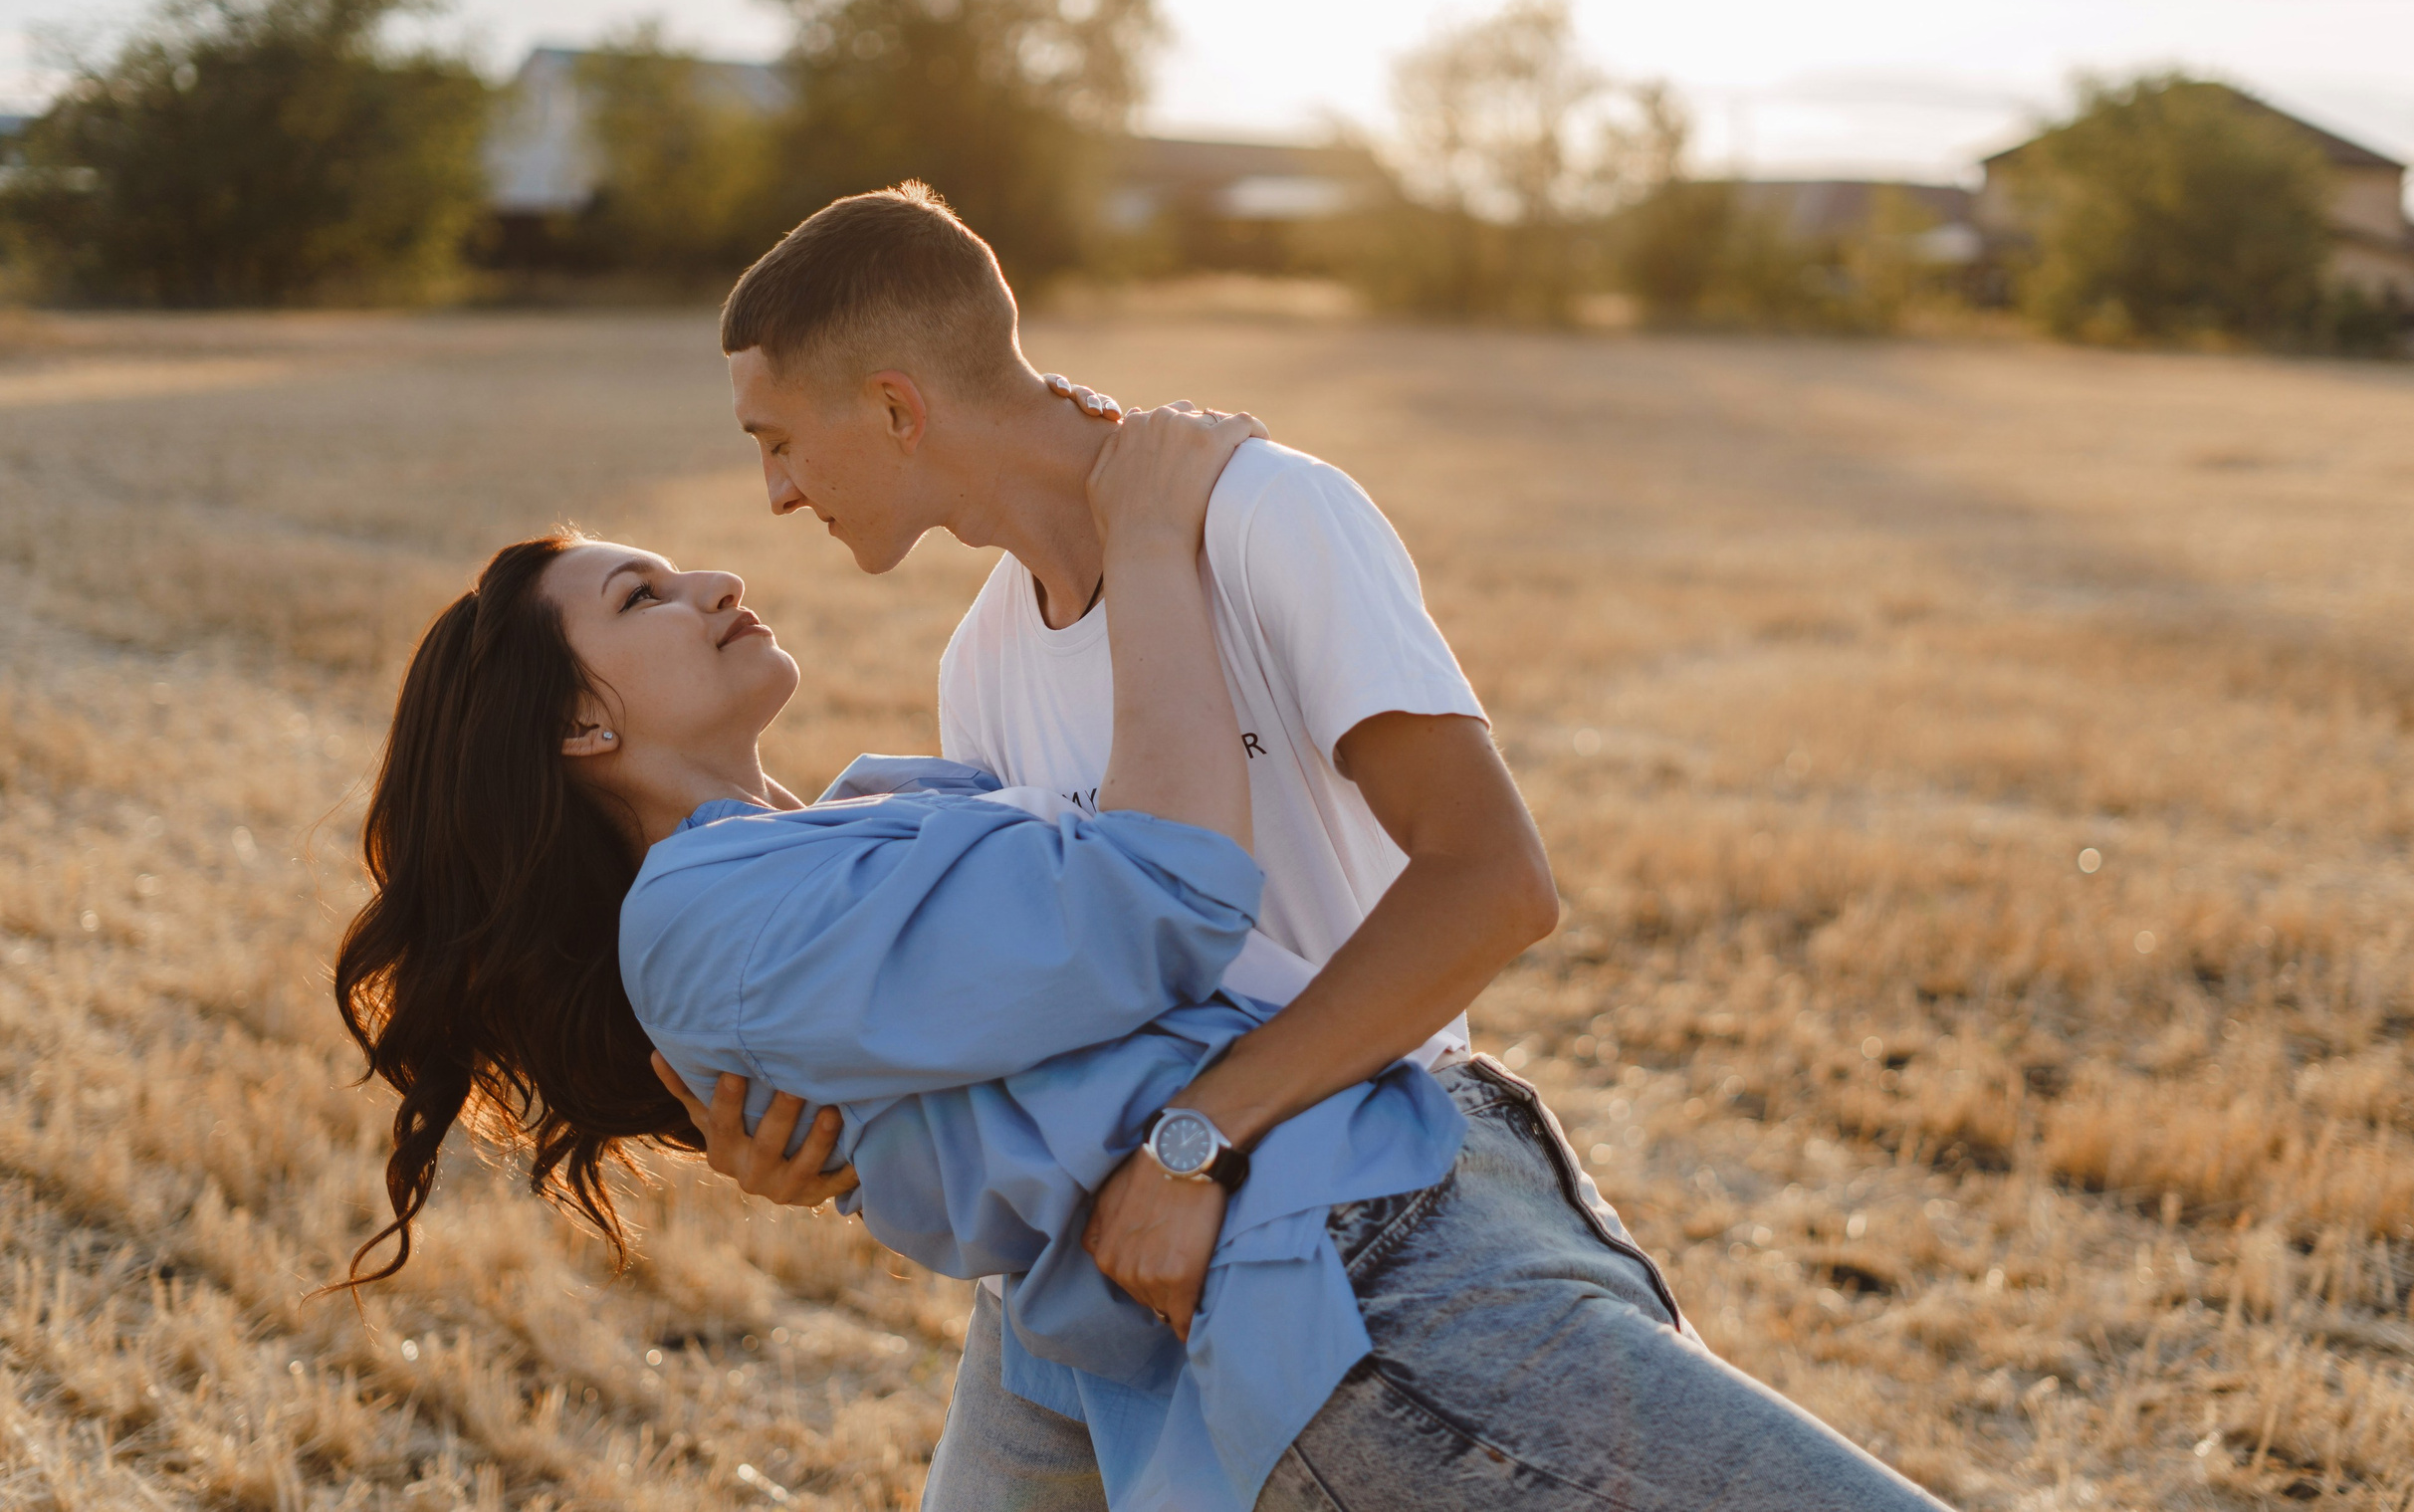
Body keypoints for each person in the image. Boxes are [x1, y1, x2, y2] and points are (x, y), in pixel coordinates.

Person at [333, 405, 1953, 1512]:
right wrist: (1156, 537)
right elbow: (1165, 889)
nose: (720, 569)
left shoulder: (841, 830)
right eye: (643, 594)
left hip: (1370, 1214)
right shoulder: (702, 914)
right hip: (1350, 1276)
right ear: (581, 721)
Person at [698, 186, 1561, 1508]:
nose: (772, 497)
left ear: (894, 407)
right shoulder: (982, 660)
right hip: (1104, 1236)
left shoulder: (1267, 516)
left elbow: (1494, 884)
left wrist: (1198, 1139)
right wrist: (825, 1146)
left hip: (1348, 1195)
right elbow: (1031, 1004)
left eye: (778, 444)